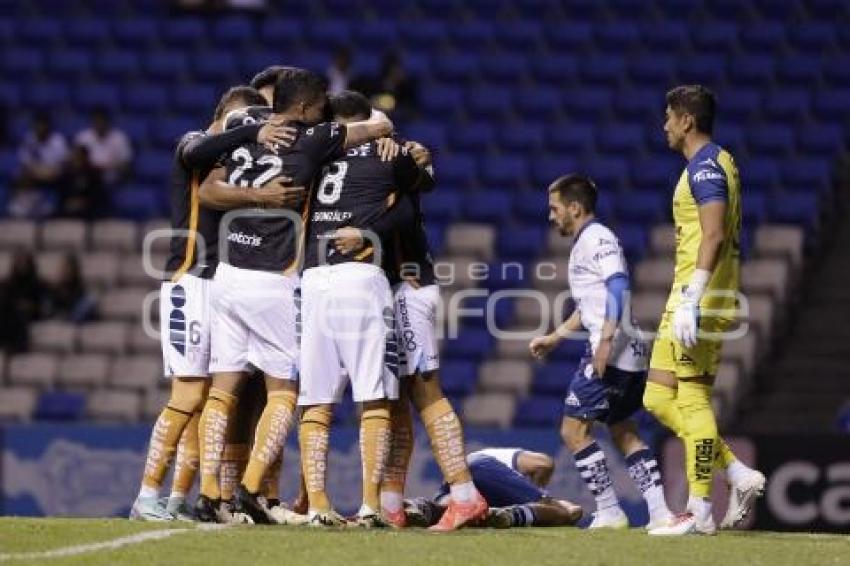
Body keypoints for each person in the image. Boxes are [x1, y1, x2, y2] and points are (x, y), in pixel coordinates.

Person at [194, 69, 393, 524]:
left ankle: (209, 494)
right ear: (304, 107)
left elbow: (206, 190)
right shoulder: (313, 137)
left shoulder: (246, 134)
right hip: (272, 277)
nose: (325, 107)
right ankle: (248, 488)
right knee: (285, 389)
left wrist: (253, 195)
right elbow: (377, 124)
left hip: (227, 272)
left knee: (222, 390)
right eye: (320, 101)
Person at [130, 85, 298, 522]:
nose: (252, 127)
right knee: (186, 394)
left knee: (206, 399)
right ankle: (147, 494)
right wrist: (249, 131)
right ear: (223, 115)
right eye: (243, 118)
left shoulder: (234, 164)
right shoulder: (193, 142)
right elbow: (197, 152)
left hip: (221, 283)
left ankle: (176, 499)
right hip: (188, 281)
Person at [296, 90, 443, 528]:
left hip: (315, 277)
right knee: (374, 397)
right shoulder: (388, 153)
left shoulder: (312, 153)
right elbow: (418, 195)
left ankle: (319, 506)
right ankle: (369, 505)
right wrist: (412, 151)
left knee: (317, 400)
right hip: (363, 278)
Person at [643, 85, 765, 535]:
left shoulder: (706, 167)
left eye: (669, 117)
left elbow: (712, 235)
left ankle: (699, 511)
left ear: (687, 121)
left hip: (702, 294)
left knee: (691, 397)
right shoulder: (720, 160)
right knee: (656, 395)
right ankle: (735, 472)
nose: (666, 125)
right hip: (694, 291)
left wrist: (693, 298)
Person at [529, 174, 674, 530]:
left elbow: (619, 285)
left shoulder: (598, 238)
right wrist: (555, 337)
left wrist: (606, 340)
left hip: (614, 350)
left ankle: (610, 510)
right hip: (629, 352)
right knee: (623, 430)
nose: (551, 217)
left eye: (555, 208)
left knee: (572, 430)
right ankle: (660, 513)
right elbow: (588, 304)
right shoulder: (586, 242)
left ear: (574, 208)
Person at [404, 447, 583, 529]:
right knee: (564, 512)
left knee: (447, 508)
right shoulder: (515, 460)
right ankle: (513, 515)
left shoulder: (508, 475)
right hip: (480, 466)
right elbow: (545, 463)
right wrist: (536, 495)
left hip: (457, 475)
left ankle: (418, 507)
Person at [10, 112, 68, 218]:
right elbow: (26, 165)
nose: (40, 128)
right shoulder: (29, 139)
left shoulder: (58, 140)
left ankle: (51, 206)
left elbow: (59, 168)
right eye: (38, 124)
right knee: (19, 175)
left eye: (43, 125)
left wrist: (42, 172)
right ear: (34, 125)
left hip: (54, 179)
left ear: (48, 126)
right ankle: (23, 203)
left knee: (62, 176)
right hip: (35, 177)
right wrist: (40, 172)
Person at [74, 106, 133, 186]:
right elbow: (76, 162)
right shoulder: (83, 137)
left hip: (113, 181)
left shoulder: (119, 138)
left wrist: (110, 167)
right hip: (89, 181)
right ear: (92, 121)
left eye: (102, 120)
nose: (100, 124)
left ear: (108, 121)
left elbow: (126, 165)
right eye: (97, 121)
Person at [0, 251, 46, 351]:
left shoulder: (38, 284)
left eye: (24, 262)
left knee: (18, 317)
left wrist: (30, 306)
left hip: (30, 315)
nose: (21, 265)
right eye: (19, 262)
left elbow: (42, 306)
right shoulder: (7, 284)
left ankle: (18, 346)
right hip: (10, 314)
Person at [44, 254, 95, 322]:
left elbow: (78, 309)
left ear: (74, 270)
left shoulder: (80, 290)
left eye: (67, 268)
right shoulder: (54, 289)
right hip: (56, 321)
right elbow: (51, 308)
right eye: (63, 268)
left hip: (74, 320)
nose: (64, 271)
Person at [58, 144, 104, 219]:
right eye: (74, 156)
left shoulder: (93, 173)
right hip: (68, 206)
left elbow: (97, 194)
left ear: (85, 157)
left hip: (88, 208)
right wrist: (69, 201)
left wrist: (83, 202)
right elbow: (62, 191)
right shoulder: (66, 173)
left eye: (78, 156)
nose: (75, 159)